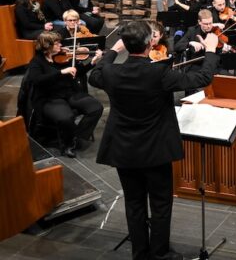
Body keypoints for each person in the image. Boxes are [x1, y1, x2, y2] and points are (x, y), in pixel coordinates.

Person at [89, 21, 219, 260]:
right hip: (155, 149)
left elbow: (95, 74)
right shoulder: (158, 73)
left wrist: (113, 52)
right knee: (160, 204)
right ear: (150, 43)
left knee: (134, 203)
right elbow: (202, 77)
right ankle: (159, 254)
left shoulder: (111, 72)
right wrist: (211, 50)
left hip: (124, 149)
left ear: (126, 45)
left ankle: (140, 253)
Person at [26, 31, 103, 158]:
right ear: (47, 45)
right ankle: (68, 145)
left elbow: (78, 72)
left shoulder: (64, 56)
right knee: (65, 118)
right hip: (50, 98)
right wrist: (61, 72)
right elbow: (37, 80)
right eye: (57, 43)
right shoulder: (37, 61)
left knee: (96, 107)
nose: (61, 45)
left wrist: (93, 62)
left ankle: (76, 137)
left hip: (70, 93)